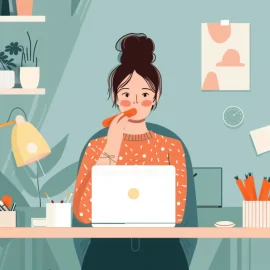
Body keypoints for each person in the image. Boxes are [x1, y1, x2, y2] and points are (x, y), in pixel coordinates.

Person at [73, 33, 189, 270]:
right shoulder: (97, 146)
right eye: (126, 94)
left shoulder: (171, 146)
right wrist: (111, 148)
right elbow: (83, 213)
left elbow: (177, 214)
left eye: (145, 94)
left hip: (161, 249)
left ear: (156, 97)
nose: (135, 102)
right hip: (107, 250)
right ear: (115, 97)